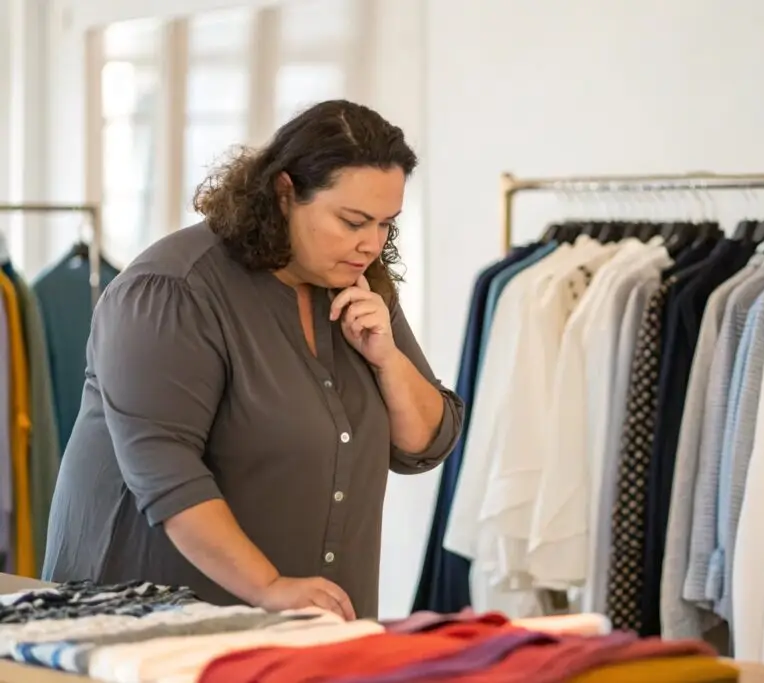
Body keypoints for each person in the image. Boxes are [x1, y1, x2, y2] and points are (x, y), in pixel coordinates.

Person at [42, 100, 465, 621]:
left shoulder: (358, 285)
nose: (371, 245)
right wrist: (267, 586)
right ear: (285, 193)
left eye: (385, 224)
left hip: (308, 630)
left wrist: (387, 361)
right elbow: (165, 471)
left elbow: (426, 443)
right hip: (150, 622)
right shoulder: (173, 291)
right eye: (353, 221)